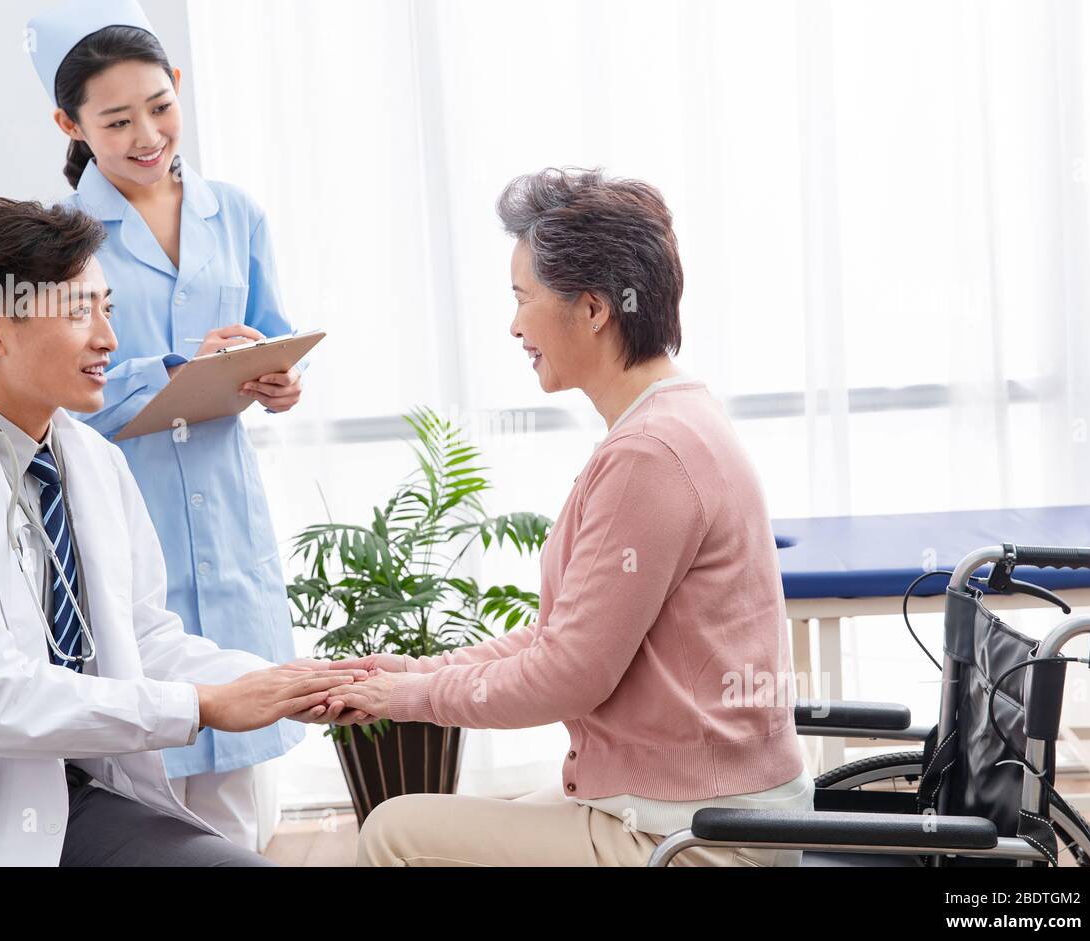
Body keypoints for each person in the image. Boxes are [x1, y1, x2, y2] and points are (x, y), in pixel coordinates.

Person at [0, 197, 365, 866]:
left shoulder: (94, 462)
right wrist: (204, 706)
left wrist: (283, 686)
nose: (109, 339)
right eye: (79, 313)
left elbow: (146, 640)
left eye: (106, 308)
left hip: (74, 797)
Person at [320, 168, 814, 867]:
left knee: (393, 834)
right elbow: (567, 635)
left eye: (523, 298)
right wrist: (414, 669)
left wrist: (408, 695)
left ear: (593, 310)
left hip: (696, 839)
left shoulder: (650, 452)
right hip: (684, 808)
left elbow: (568, 675)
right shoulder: (673, 419)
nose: (515, 324)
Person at [26, 0, 306, 850]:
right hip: (125, 511)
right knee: (154, 766)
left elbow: (269, 335)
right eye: (116, 120)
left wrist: (275, 378)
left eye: (160, 106)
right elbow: (56, 387)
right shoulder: (58, 240)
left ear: (178, 88)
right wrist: (177, 365)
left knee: (244, 762)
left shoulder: (235, 213)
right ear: (69, 123)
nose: (148, 134)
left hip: (225, 506)